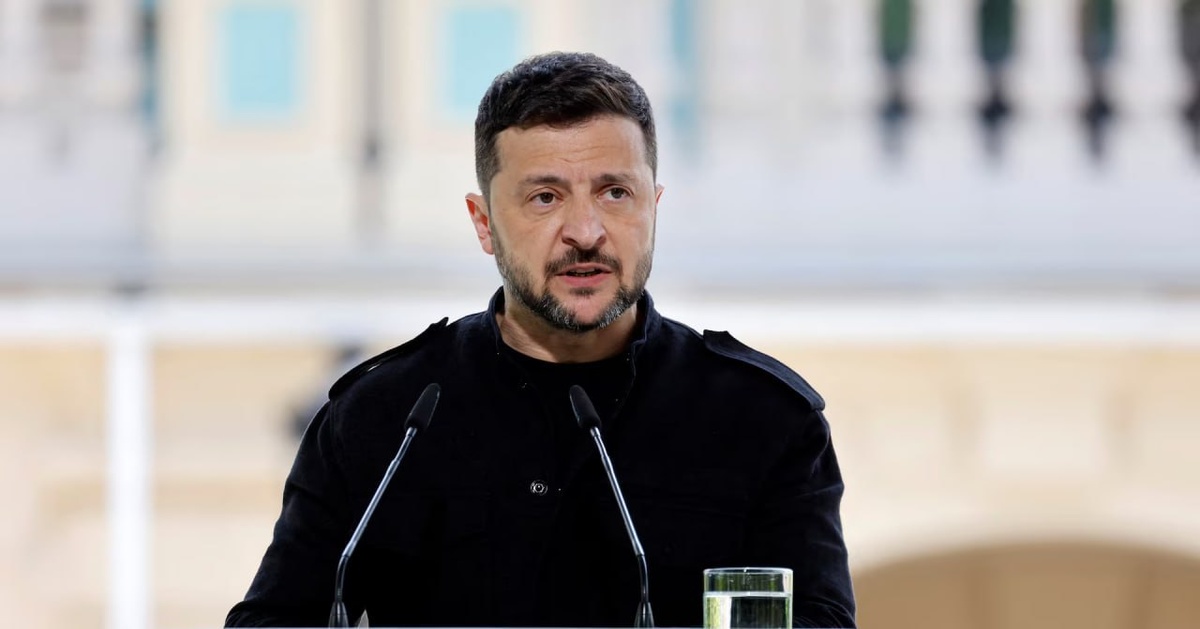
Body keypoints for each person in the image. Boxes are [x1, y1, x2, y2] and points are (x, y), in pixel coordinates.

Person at [226, 51, 855, 628]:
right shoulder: (384, 418)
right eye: (545, 197)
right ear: (484, 224)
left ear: (653, 207)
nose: (585, 231)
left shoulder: (765, 419)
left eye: (615, 193)